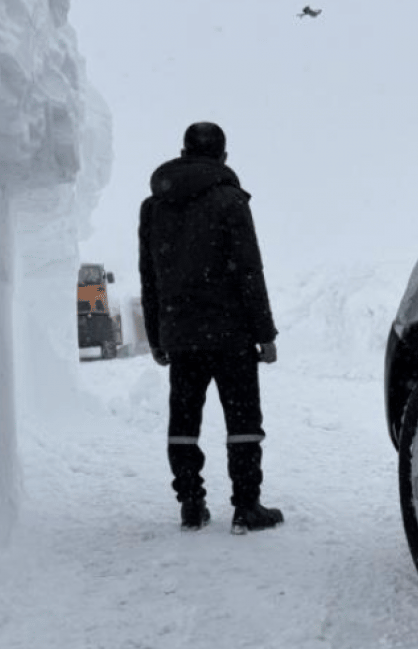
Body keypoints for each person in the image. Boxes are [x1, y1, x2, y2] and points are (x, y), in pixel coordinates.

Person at [138, 121, 284, 534]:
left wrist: (157, 335)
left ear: (184, 153)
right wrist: (265, 333)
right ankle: (246, 507)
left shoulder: (154, 206)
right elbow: (249, 271)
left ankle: (190, 503)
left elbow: (150, 276)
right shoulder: (229, 200)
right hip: (232, 334)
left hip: (182, 335)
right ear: (223, 156)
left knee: (184, 421)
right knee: (243, 422)